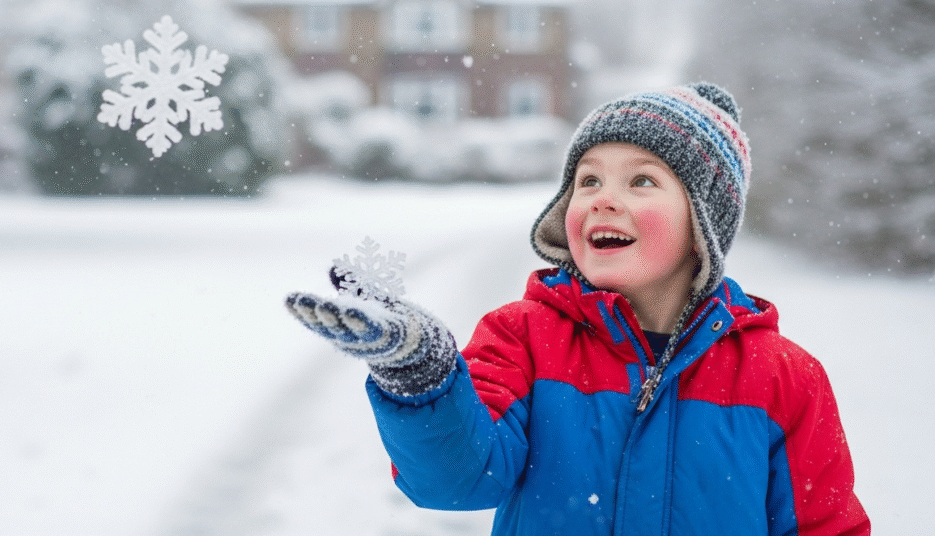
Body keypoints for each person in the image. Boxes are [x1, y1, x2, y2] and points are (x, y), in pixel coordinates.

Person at [285, 83, 870, 535]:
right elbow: (458, 480)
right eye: (587, 181)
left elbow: (825, 525)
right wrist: (423, 378)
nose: (604, 198)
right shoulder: (522, 337)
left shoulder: (784, 378)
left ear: (703, 229)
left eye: (642, 181)